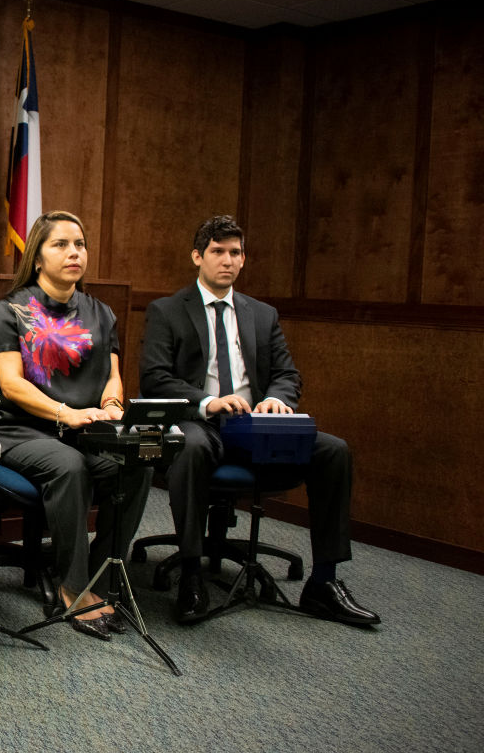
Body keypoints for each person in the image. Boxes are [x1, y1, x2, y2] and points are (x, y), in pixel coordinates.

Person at [139, 214, 381, 628]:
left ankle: (324, 582)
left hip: (256, 428)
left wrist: (274, 398)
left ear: (244, 259)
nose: (227, 261)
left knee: (333, 451)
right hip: (202, 423)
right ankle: (192, 573)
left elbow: (288, 374)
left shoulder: (262, 314)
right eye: (217, 252)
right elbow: (155, 378)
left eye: (235, 253)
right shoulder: (167, 310)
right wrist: (209, 401)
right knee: (191, 446)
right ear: (198, 256)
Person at [0, 211, 151, 642]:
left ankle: (102, 574)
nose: (74, 252)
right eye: (60, 244)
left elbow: (112, 373)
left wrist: (112, 402)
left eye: (80, 244)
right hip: (19, 428)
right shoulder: (8, 310)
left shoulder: (100, 312)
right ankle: (71, 587)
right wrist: (65, 412)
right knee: (70, 466)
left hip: (85, 428)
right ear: (37, 256)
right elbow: (11, 385)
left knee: (139, 461)